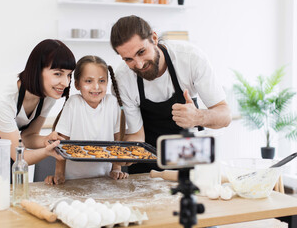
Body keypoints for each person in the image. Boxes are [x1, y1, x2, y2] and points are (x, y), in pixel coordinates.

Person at [110, 15, 232, 174]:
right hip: (147, 169)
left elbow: (225, 115)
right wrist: (126, 155)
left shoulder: (190, 58)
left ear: (154, 38)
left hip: (190, 161)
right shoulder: (122, 79)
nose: (138, 64)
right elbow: (137, 135)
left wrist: (198, 117)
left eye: (141, 52)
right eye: (128, 59)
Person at [0, 39, 76, 187]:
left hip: (7, 138)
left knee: (9, 194)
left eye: (69, 75)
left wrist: (47, 140)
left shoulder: (49, 96)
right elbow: (20, 157)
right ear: (37, 70)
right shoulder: (3, 96)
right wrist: (47, 152)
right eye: (58, 74)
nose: (65, 82)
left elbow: (28, 137)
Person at [44, 55, 128, 185]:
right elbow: (61, 143)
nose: (96, 87)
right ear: (77, 84)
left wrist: (116, 169)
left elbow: (118, 140)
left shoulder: (112, 103)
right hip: (73, 180)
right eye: (88, 81)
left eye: (102, 81)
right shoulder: (74, 103)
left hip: (105, 180)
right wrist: (59, 174)